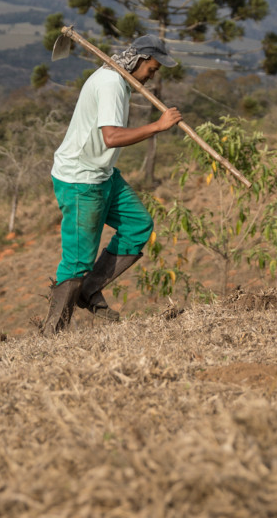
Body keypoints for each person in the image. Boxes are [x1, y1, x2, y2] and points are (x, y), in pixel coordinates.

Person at [42, 34, 183, 335]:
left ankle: (87, 290)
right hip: (81, 179)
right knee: (78, 260)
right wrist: (158, 126)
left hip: (103, 173)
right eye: (152, 69)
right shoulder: (111, 85)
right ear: (140, 61)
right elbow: (112, 137)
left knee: (138, 225)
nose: (151, 76)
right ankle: (52, 333)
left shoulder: (118, 80)